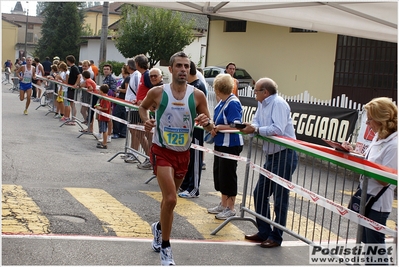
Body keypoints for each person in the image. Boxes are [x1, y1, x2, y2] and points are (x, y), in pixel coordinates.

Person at [139, 51, 213, 266]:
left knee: (169, 202)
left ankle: (159, 228)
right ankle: (166, 248)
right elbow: (143, 108)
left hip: (183, 154)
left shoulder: (197, 95)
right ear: (170, 70)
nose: (183, 69)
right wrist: (147, 121)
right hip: (161, 150)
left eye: (186, 66)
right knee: (171, 198)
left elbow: (211, 126)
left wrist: (206, 122)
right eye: (179, 66)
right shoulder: (158, 92)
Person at [240, 77, 298, 248]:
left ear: (265, 92)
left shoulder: (278, 103)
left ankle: (276, 236)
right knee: (260, 193)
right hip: (272, 155)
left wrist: (256, 129)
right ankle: (264, 231)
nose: (254, 93)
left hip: (284, 154)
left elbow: (277, 129)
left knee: (280, 197)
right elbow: (256, 121)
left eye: (256, 90)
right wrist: (252, 126)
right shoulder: (262, 103)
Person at [342, 97, 397, 245]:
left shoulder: (394, 144)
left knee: (375, 248)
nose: (367, 123)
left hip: (378, 203)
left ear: (381, 119)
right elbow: (369, 159)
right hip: (367, 196)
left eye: (370, 119)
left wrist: (364, 164)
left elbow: (385, 180)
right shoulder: (379, 136)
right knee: (367, 245)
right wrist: (351, 152)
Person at [205, 74, 243, 219]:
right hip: (221, 143)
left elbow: (237, 125)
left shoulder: (233, 103)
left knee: (228, 175)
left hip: (231, 144)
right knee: (220, 174)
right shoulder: (223, 101)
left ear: (218, 89)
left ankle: (231, 207)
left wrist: (219, 127)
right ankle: (223, 203)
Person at [178, 61, 208, 199]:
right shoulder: (190, 86)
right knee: (189, 159)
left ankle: (194, 188)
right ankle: (186, 184)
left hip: (197, 128)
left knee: (196, 159)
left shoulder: (198, 87)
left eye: (185, 67)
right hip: (188, 128)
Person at [135, 54, 154, 170]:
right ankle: (149, 157)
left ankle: (151, 158)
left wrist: (148, 102)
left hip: (146, 110)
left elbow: (153, 90)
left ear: (137, 63)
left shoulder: (147, 75)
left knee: (146, 134)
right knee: (139, 133)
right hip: (142, 107)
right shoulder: (143, 75)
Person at [123, 58, 142, 164]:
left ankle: (135, 153)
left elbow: (138, 89)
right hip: (129, 107)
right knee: (132, 130)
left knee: (135, 131)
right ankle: (131, 151)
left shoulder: (136, 75)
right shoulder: (133, 75)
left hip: (134, 107)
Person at [111, 64, 130, 139]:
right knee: (123, 116)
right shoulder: (126, 78)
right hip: (122, 99)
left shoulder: (128, 78)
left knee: (116, 115)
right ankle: (122, 132)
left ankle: (117, 132)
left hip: (123, 101)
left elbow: (127, 90)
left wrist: (119, 89)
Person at [102, 64, 117, 143]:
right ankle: (104, 134)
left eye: (107, 69)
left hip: (109, 101)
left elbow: (114, 91)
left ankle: (109, 135)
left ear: (111, 70)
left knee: (109, 119)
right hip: (104, 100)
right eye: (104, 69)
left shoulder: (112, 79)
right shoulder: (105, 79)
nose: (106, 70)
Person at [65, 55, 81, 126]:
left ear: (68, 61)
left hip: (72, 88)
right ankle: (72, 119)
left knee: (72, 104)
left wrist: (75, 84)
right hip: (70, 87)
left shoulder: (74, 68)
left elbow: (79, 75)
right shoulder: (72, 68)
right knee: (71, 104)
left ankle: (73, 120)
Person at [79, 60, 95, 125]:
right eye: (83, 66)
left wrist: (82, 86)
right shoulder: (85, 72)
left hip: (88, 95)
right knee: (84, 110)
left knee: (87, 110)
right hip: (85, 94)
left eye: (85, 66)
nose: (84, 67)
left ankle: (89, 124)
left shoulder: (90, 73)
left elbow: (89, 86)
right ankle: (87, 122)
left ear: (89, 66)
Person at [96, 84, 111, 149]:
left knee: (104, 130)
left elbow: (106, 108)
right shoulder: (103, 98)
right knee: (103, 129)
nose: (98, 91)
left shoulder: (105, 98)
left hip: (104, 117)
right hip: (103, 116)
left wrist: (99, 107)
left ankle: (104, 143)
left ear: (102, 91)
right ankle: (104, 142)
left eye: (99, 90)